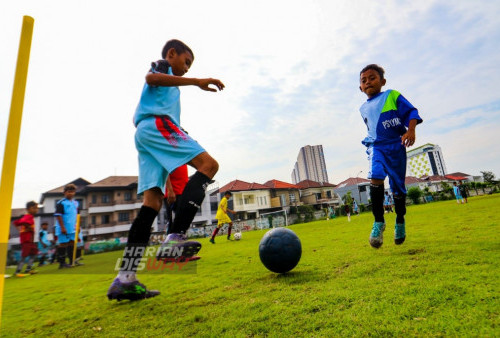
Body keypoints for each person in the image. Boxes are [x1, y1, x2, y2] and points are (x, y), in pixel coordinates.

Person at [107, 39, 224, 301]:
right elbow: (152, 77)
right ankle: (175, 238)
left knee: (152, 203)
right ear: (172, 54)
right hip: (156, 125)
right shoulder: (162, 67)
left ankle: (125, 279)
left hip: (146, 132)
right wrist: (196, 80)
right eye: (186, 62)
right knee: (209, 165)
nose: (186, 68)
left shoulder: (170, 86)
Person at [359, 64, 423, 248]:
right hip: (376, 146)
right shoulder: (363, 108)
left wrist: (410, 131)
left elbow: (411, 112)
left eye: (372, 78)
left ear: (383, 81)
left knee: (398, 189)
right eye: (364, 80)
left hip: (396, 146)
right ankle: (379, 222)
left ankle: (400, 220)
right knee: (376, 176)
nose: (368, 82)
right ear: (360, 88)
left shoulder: (392, 95)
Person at [54, 183, 79, 268]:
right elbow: (58, 215)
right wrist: (62, 227)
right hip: (63, 228)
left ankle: (72, 261)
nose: (71, 193)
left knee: (72, 243)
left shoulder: (75, 203)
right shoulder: (61, 203)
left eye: (72, 192)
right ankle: (62, 263)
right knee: (63, 244)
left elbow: (77, 215)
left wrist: (77, 226)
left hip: (72, 228)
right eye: (69, 192)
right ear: (64, 192)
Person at [13, 201, 39, 276]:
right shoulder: (28, 216)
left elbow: (16, 222)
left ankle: (28, 269)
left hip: (30, 240)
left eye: (36, 208)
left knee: (34, 253)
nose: (36, 210)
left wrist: (21, 230)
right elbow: (22, 222)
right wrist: (27, 227)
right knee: (24, 255)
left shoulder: (28, 216)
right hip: (26, 240)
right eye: (33, 208)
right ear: (28, 209)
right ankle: (17, 271)